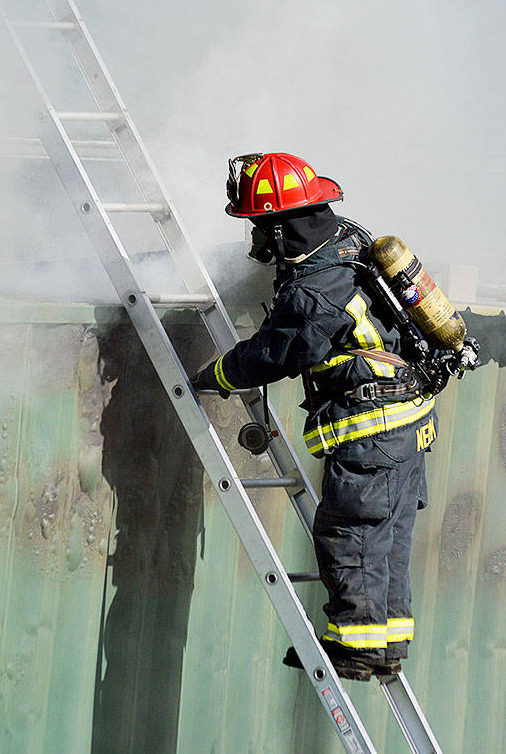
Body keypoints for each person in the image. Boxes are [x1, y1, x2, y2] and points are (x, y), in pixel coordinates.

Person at [190, 152, 469, 682]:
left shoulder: (315, 289)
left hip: (371, 433)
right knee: (388, 537)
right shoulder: (349, 242)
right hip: (408, 422)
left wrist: (216, 375)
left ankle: (355, 649)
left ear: (278, 226)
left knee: (352, 533)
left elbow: (279, 352)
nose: (257, 242)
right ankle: (384, 644)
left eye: (259, 228)